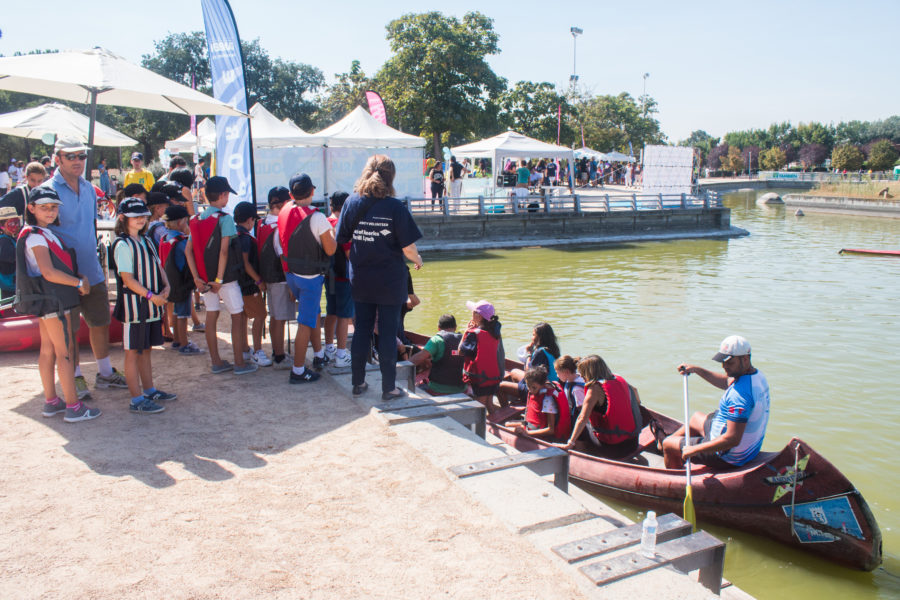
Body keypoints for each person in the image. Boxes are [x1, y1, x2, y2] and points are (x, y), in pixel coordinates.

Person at [335, 155, 423, 400]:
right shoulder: (395, 207)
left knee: (361, 330)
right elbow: (408, 248)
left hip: (361, 278)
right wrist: (418, 260)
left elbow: (341, 238)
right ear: (391, 177)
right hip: (389, 281)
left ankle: (358, 383)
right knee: (386, 332)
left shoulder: (351, 203)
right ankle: (389, 388)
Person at [49, 137, 128, 399]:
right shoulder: (49, 190)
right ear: (57, 158)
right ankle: (75, 378)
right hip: (64, 274)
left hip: (91, 269)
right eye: (70, 156)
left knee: (100, 322)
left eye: (81, 156)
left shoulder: (88, 188)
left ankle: (105, 374)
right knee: (68, 332)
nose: (77, 161)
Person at [16, 187, 100, 422]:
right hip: (54, 301)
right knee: (65, 352)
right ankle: (73, 406)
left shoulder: (40, 233)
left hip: (49, 301)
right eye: (44, 207)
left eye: (53, 207)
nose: (50, 211)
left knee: (49, 350)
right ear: (31, 208)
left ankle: (52, 401)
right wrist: (77, 283)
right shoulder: (35, 236)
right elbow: (48, 272)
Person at [185, 175, 258, 375]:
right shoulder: (224, 219)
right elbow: (224, 251)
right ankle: (239, 363)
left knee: (211, 315)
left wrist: (196, 278)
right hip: (224, 278)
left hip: (203, 279)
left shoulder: (195, 219)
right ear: (224, 195)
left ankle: (216, 361)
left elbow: (188, 250)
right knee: (236, 316)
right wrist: (218, 279)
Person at [662, 335, 771, 469]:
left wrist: (695, 449)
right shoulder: (756, 377)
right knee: (695, 418)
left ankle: (673, 471)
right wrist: (697, 370)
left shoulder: (740, 397)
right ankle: (664, 446)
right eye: (723, 361)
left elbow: (732, 439)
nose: (724, 366)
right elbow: (726, 381)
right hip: (744, 444)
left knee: (668, 444)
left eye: (729, 362)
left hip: (728, 455)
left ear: (745, 359)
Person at [111, 197, 176, 414]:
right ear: (123, 218)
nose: (140, 219)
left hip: (150, 306)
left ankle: (149, 390)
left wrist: (166, 286)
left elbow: (159, 267)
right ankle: (136, 399)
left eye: (143, 215)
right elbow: (127, 279)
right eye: (135, 216)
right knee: (132, 351)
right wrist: (151, 296)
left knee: (146, 349)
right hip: (134, 308)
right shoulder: (122, 244)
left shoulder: (146, 241)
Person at [279, 173, 336, 383]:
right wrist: (333, 234)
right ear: (312, 191)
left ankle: (319, 355)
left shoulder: (284, 210)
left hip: (291, 272)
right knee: (304, 322)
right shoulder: (317, 217)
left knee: (312, 313)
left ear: (290, 193)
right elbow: (330, 250)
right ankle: (298, 370)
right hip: (310, 277)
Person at [559, 355, 643, 458]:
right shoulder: (618, 378)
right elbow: (635, 392)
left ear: (588, 373)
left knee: (579, 418)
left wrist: (570, 443)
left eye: (582, 373)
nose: (581, 376)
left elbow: (582, 418)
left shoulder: (594, 389)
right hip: (632, 443)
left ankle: (581, 451)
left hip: (613, 448)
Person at [257, 186, 295, 369]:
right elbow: (282, 256)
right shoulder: (279, 226)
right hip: (279, 278)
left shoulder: (262, 223)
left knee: (275, 317)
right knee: (279, 318)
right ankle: (279, 356)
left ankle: (277, 351)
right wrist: (291, 283)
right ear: (281, 203)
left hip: (267, 277)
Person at [159, 204, 202, 355]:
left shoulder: (165, 238)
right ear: (181, 222)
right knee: (183, 313)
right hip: (181, 282)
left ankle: (177, 340)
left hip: (169, 282)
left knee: (176, 312)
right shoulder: (181, 241)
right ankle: (184, 344)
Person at [233, 201, 271, 367]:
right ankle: (257, 351)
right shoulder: (246, 239)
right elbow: (246, 263)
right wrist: (259, 281)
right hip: (249, 284)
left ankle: (244, 349)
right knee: (261, 315)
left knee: (242, 316)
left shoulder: (234, 234)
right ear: (249, 220)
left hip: (238, 283)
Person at [498, 321, 560, 406]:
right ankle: (524, 401)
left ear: (540, 338)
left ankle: (506, 411)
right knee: (514, 372)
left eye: (534, 335)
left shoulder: (540, 352)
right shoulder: (553, 349)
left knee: (499, 386)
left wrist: (529, 354)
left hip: (538, 388)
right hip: (548, 384)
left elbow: (528, 372)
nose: (532, 337)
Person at [458, 300, 504, 413]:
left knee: (479, 407)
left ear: (478, 316)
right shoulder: (495, 332)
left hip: (480, 378)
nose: (472, 314)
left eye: (474, 312)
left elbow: (460, 351)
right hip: (494, 376)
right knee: (489, 403)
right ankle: (495, 420)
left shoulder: (473, 334)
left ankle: (479, 428)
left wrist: (466, 331)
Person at [324, 191, 353, 369]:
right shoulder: (343, 225)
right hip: (344, 276)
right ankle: (341, 354)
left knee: (331, 312)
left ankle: (329, 348)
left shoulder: (325, 222)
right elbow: (349, 253)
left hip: (329, 275)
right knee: (345, 315)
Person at [508, 365, 572, 442]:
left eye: (534, 387)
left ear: (543, 385)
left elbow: (550, 430)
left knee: (508, 430)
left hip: (540, 434)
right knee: (507, 424)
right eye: (528, 386)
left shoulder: (547, 400)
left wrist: (527, 433)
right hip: (530, 425)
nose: (530, 390)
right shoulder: (536, 392)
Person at [409, 313, 466, 396]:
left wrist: (402, 365)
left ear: (438, 328)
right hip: (461, 388)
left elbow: (418, 359)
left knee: (417, 386)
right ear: (455, 327)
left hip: (438, 388)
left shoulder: (437, 340)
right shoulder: (464, 340)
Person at [554, 355, 586, 426]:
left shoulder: (576, 389)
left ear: (567, 372)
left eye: (558, 373)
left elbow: (582, 410)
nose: (557, 375)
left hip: (579, 422)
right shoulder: (573, 379)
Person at [0, 206, 19, 300]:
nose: (15, 226)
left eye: (17, 223)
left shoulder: (11, 239)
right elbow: (9, 256)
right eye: (11, 224)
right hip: (9, 285)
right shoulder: (3, 240)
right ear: (2, 226)